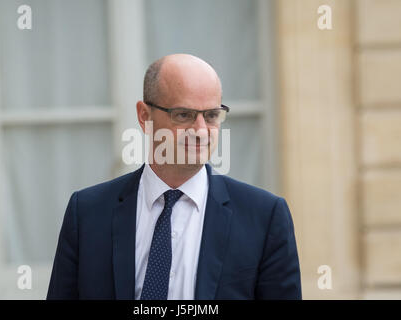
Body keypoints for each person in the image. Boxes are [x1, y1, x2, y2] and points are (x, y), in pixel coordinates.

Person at [47, 54, 302, 300]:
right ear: (144, 115)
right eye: (184, 115)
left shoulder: (264, 217)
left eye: (211, 115)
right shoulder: (88, 213)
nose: (201, 131)